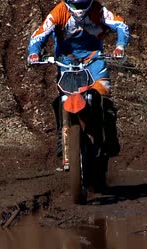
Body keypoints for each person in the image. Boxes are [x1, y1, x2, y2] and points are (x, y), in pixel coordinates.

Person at [27, 0, 129, 157]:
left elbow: (121, 25)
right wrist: (34, 52)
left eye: (82, 4)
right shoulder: (59, 12)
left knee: (103, 94)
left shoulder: (98, 10)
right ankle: (63, 135)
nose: (79, 10)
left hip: (93, 59)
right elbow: (40, 33)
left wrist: (120, 46)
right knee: (63, 96)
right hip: (66, 60)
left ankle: (110, 138)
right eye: (75, 5)